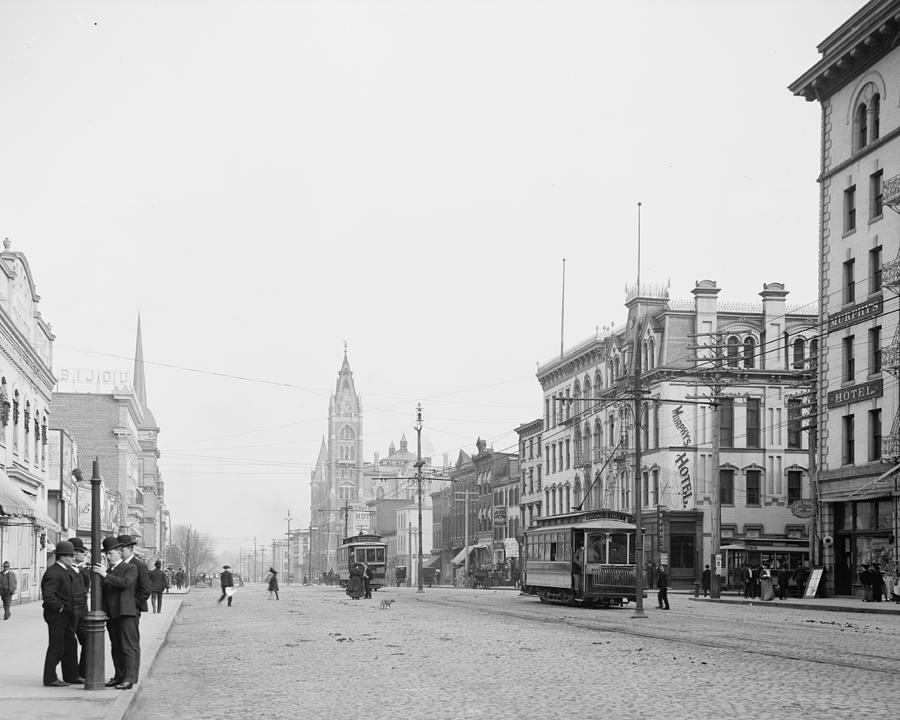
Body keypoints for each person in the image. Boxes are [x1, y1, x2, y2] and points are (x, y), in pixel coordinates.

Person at [94, 536, 139, 690]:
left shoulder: (130, 568)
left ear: (120, 552)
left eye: (111, 553)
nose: (108, 556)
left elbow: (125, 583)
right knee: (116, 647)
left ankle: (129, 678)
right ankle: (119, 676)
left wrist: (105, 576)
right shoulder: (107, 571)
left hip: (126, 613)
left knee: (128, 647)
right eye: (106, 554)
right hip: (112, 614)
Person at [41, 540, 79, 687]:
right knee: (56, 646)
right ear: (62, 557)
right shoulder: (54, 572)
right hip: (57, 615)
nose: (72, 558)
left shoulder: (64, 570)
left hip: (65, 614)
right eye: (70, 556)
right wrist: (60, 607)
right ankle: (50, 677)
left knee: (70, 643)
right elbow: (48, 595)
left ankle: (71, 675)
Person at [68, 537, 91, 680]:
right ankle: (72, 674)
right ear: (75, 553)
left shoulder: (82, 571)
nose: (84, 555)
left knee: (88, 640)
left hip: (83, 612)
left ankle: (83, 672)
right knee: (69, 645)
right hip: (70, 612)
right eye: (82, 552)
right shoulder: (65, 571)